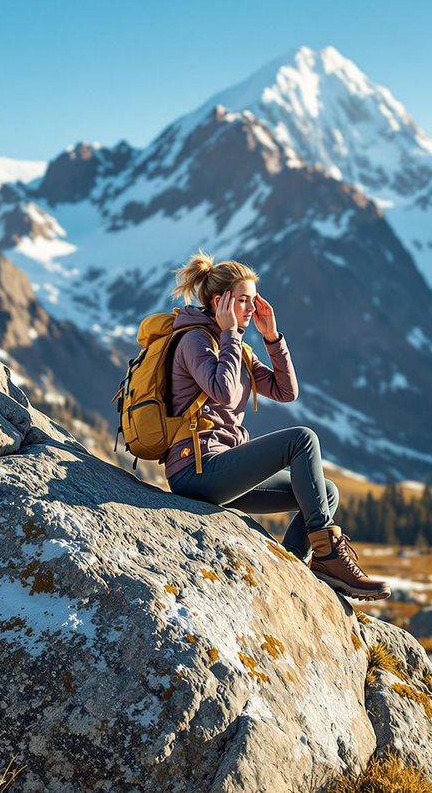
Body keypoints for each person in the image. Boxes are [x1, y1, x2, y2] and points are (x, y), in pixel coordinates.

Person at [164, 250, 390, 601]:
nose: (251, 309)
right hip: (197, 470)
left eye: (254, 300)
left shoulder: (234, 345)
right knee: (301, 439)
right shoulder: (195, 340)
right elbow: (222, 392)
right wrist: (230, 336)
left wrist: (271, 337)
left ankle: (295, 570)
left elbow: (286, 392)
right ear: (217, 301)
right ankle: (329, 555)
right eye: (243, 300)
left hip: (225, 467)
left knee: (325, 493)